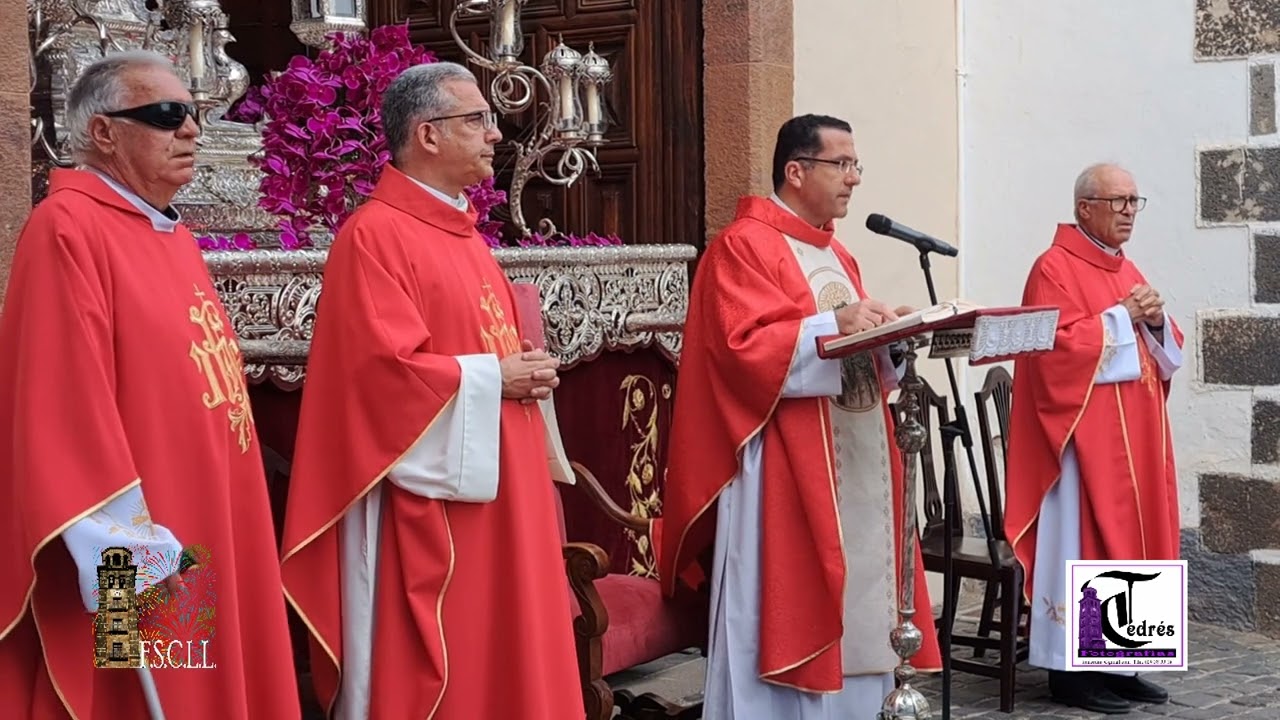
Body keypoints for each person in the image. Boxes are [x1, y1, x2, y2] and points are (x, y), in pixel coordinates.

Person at [0, 51, 301, 718]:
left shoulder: (170, 235)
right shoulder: (67, 228)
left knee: (211, 676)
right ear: (103, 132)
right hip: (138, 539)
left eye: (191, 113)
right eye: (166, 115)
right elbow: (60, 406)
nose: (190, 129)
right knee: (143, 685)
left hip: (212, 512)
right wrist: (128, 559)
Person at [279, 61, 583, 720]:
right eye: (477, 120)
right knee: (462, 661)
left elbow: (477, 349)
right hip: (439, 508)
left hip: (505, 487)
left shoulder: (463, 234)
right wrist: (493, 377)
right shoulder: (375, 236)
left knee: (515, 657)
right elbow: (380, 377)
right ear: (427, 135)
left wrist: (521, 370)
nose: (495, 134)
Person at [656, 114, 942, 719]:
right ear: (796, 170)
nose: (854, 178)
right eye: (842, 164)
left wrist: (890, 339)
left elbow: (852, 352)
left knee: (861, 602)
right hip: (782, 464)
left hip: (856, 456)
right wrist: (830, 327)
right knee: (790, 600)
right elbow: (739, 350)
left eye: (856, 165)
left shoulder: (836, 252)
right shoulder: (743, 245)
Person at [1005, 163, 1183, 714]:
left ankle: (1122, 663)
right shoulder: (1053, 267)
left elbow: (1161, 348)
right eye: (1118, 201)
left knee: (1136, 538)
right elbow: (1052, 349)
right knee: (1082, 545)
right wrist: (1122, 317)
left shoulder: (1124, 265)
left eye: (1135, 201)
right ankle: (1072, 673)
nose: (1130, 211)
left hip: (1137, 438)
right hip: (1080, 442)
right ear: (1085, 208)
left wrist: (1155, 322)